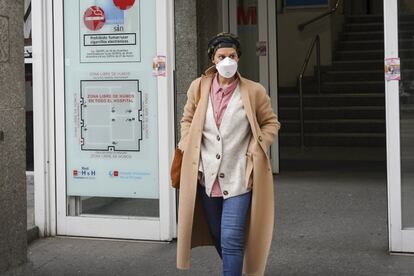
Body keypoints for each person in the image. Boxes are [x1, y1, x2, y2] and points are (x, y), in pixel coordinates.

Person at [176, 32, 280, 276]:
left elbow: (271, 123)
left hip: (239, 176)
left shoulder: (253, 91)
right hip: (206, 176)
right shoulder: (198, 87)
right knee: (217, 233)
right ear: (213, 59)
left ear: (238, 58)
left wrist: (258, 146)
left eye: (232, 56)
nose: (227, 61)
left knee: (231, 238)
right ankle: (237, 268)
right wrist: (186, 142)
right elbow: (188, 118)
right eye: (222, 56)